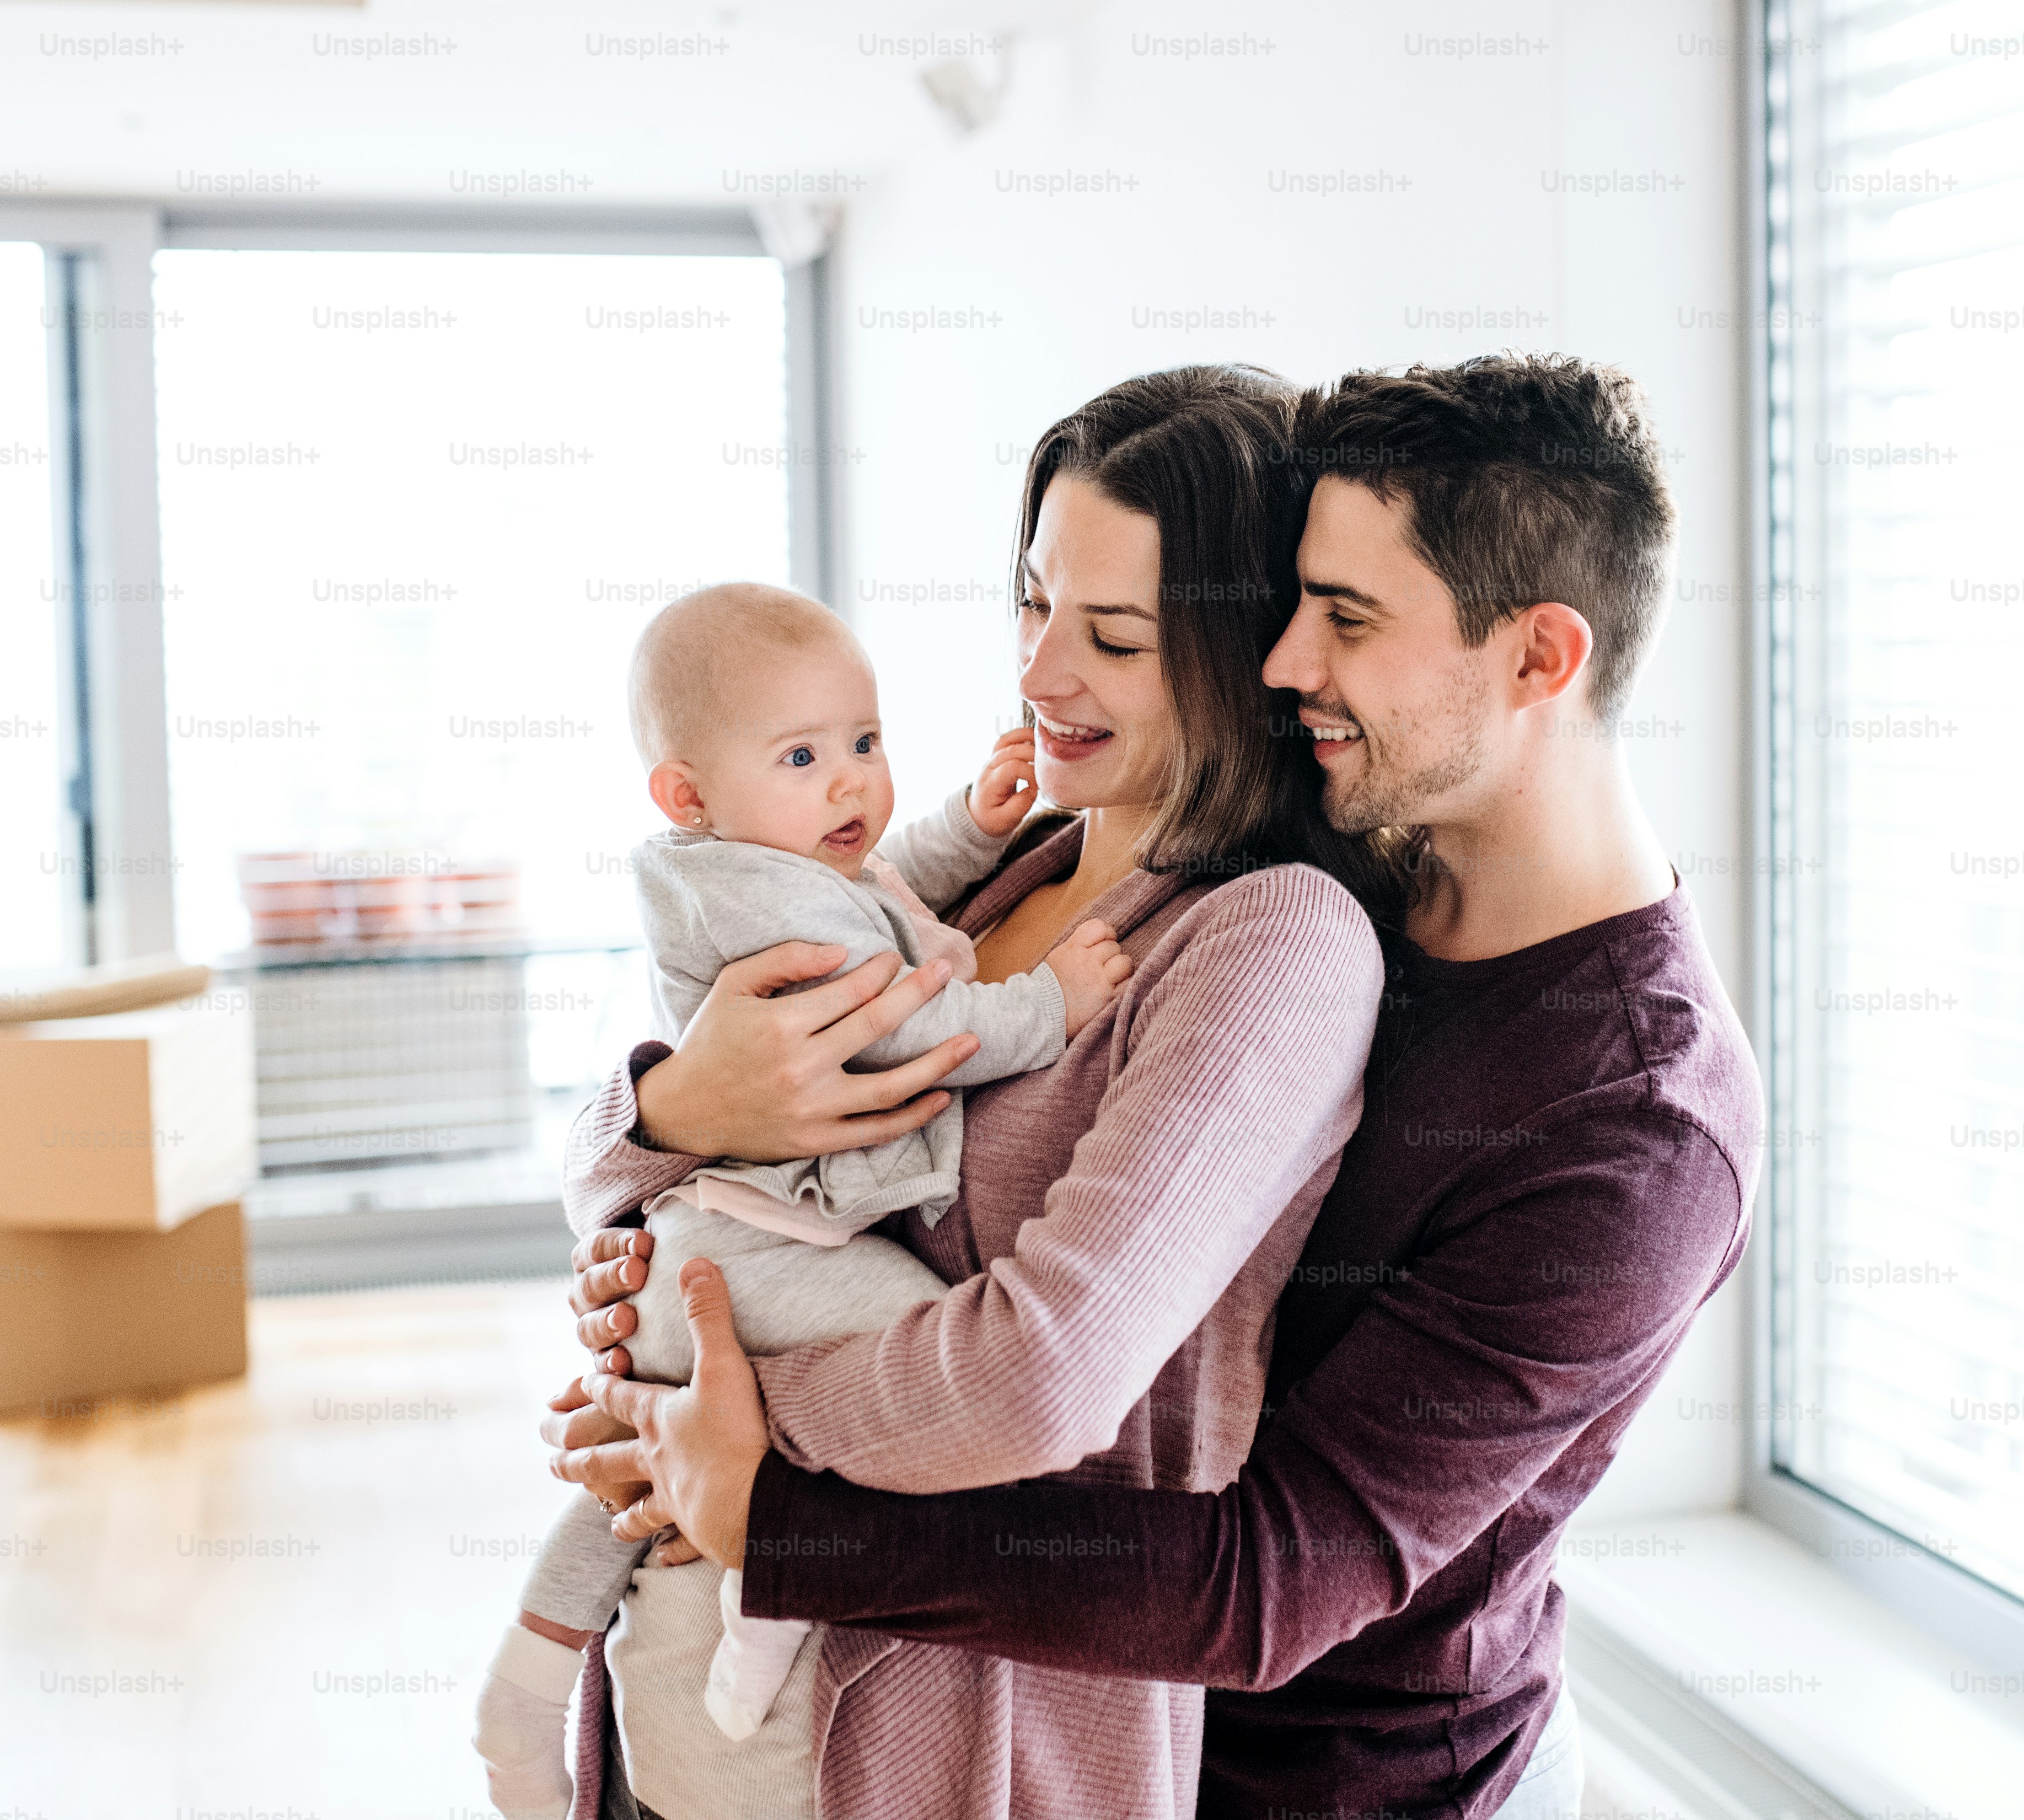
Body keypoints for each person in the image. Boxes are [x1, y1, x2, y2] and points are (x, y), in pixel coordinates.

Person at [552, 353, 1764, 1820]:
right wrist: (670, 1131)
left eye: (1346, 619)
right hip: (950, 1675)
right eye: (1036, 599)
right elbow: (749, 1122)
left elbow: (1269, 1571)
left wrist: (749, 1467)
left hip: (1331, 1770)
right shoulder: (1144, 855)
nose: (1288, 661)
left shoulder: (1628, 1116)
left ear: (1538, 659)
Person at [537, 365, 1415, 1819]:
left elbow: (1036, 1378)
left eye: (1114, 637)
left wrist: (714, 1423)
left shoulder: (1266, 946)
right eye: (1033, 600)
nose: (1038, 673)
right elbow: (634, 1165)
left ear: (1251, 653)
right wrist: (673, 1119)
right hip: (694, 1669)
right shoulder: (989, 871)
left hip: (955, 1732)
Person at [470, 582, 1136, 1819]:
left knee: (644, 1447)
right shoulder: (742, 892)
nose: (849, 785)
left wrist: (967, 829)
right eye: (803, 756)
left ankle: (534, 1655)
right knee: (918, 1330)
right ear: (689, 796)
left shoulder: (771, 859)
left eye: (866, 745)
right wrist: (1048, 1004)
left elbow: (879, 888)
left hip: (723, 1232)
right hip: (748, 1237)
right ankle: (760, 1603)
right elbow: (905, 1022)